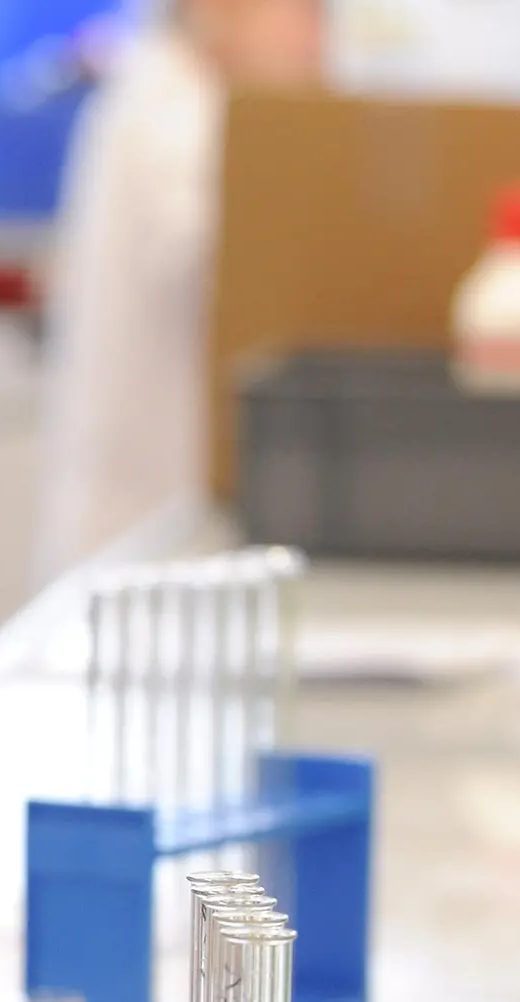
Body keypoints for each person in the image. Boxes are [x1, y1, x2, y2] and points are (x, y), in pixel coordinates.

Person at [37, 0, 324, 577]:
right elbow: (239, 259)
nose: (317, 42)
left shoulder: (167, 96)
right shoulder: (176, 117)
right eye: (305, 11)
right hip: (144, 536)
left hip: (150, 536)